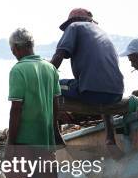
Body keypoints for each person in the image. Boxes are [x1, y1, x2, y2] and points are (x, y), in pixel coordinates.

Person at [6, 28, 63, 178]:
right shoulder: (49, 68)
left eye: (13, 50)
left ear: (19, 48)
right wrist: (54, 130)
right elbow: (56, 103)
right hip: (45, 140)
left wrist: (11, 144)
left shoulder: (18, 70)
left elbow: (16, 109)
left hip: (24, 141)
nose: (13, 53)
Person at [51, 8, 124, 145]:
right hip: (116, 93)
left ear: (73, 21)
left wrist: (41, 78)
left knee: (49, 86)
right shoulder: (103, 34)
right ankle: (110, 137)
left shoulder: (74, 26)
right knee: (100, 86)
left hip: (91, 91)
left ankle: (55, 135)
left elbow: (59, 55)